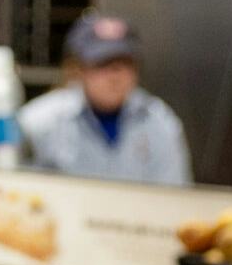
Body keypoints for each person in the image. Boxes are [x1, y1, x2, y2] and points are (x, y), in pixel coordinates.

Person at [16, 12, 192, 185]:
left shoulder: (160, 122)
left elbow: (175, 198)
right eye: (102, 64)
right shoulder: (38, 121)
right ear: (80, 69)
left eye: (123, 64)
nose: (114, 76)